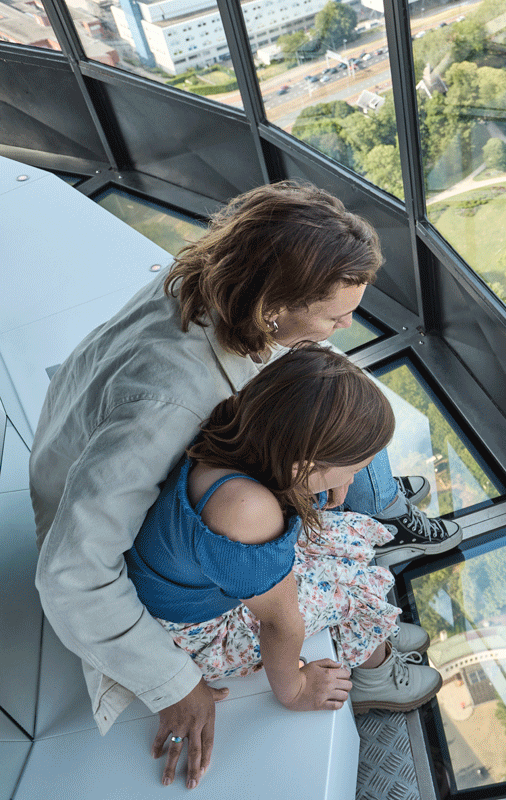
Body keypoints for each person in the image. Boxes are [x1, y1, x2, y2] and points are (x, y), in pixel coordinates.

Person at [30, 182, 459, 790]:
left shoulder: (220, 279)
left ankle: (374, 546)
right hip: (114, 518)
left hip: (150, 469)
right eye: (334, 314)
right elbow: (72, 572)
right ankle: (370, 650)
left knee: (343, 403)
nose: (345, 326)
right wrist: (172, 684)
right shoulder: (168, 402)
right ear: (273, 307)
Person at [126, 344, 442, 723]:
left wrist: (327, 481)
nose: (353, 479)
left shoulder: (239, 427)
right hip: (195, 633)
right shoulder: (248, 510)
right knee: (351, 591)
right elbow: (280, 623)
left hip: (195, 584)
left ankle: (372, 637)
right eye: (353, 468)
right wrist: (294, 690)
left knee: (339, 542)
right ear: (305, 465)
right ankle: (376, 676)